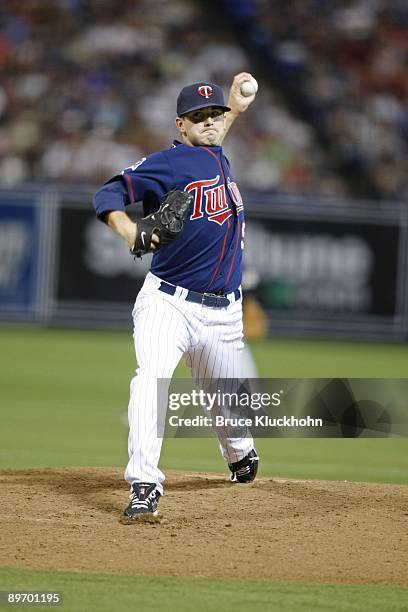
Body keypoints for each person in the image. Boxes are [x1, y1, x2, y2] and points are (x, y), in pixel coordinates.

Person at [93, 73, 259, 522]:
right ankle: (144, 483)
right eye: (198, 117)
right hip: (169, 303)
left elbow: (216, 131)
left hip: (224, 312)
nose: (209, 123)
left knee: (228, 408)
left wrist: (233, 107)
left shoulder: (215, 153)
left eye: (214, 116)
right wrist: (131, 231)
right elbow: (107, 193)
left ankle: (240, 453)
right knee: (151, 379)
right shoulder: (167, 164)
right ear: (179, 125)